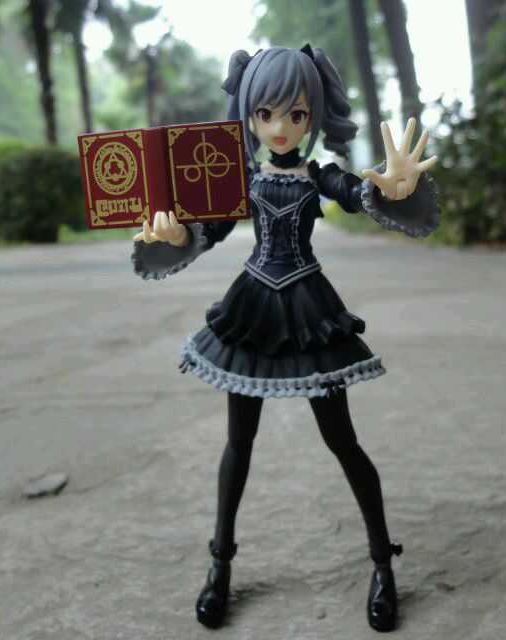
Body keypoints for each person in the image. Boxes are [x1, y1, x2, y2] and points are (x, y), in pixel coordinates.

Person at [131, 44, 439, 632]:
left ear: (312, 116)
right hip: (251, 309)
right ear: (248, 114)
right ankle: (219, 564)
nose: (279, 127)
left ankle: (383, 565)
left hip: (308, 308)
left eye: (295, 114)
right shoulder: (243, 179)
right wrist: (175, 236)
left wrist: (392, 191)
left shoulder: (317, 175)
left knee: (343, 441)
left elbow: (359, 194)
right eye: (266, 113)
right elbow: (209, 230)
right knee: (237, 445)